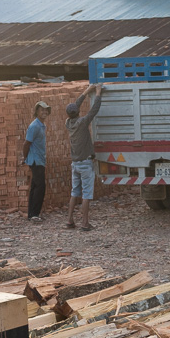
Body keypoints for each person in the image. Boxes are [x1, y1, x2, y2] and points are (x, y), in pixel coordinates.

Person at [65, 85, 102, 231]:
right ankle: (85, 223)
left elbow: (75, 106)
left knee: (74, 192)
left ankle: (69, 221)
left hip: (75, 164)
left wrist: (87, 91)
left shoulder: (69, 123)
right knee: (86, 194)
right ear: (78, 112)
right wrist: (98, 92)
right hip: (86, 164)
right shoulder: (82, 122)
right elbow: (94, 110)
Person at [22, 101, 50, 222]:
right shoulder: (34, 126)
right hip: (35, 160)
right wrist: (25, 158)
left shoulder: (42, 125)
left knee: (35, 186)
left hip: (39, 159)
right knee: (40, 187)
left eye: (46, 110)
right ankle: (34, 214)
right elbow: (26, 143)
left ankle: (32, 214)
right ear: (36, 112)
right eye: (41, 110)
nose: (44, 112)